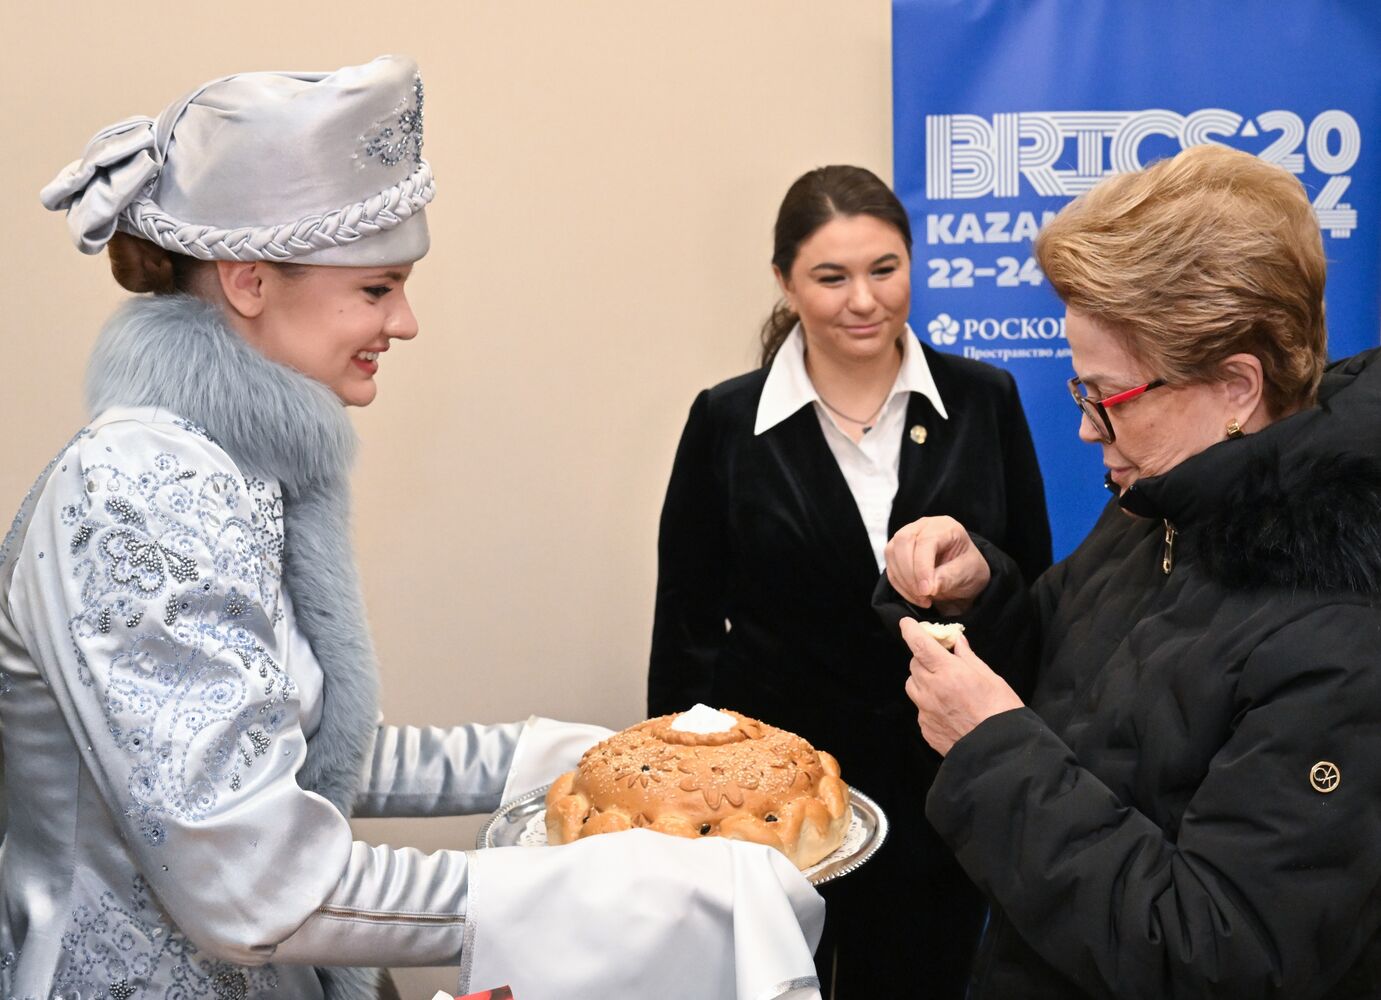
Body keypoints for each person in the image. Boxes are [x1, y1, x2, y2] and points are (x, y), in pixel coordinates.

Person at [2, 57, 824, 1000]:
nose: (405, 322)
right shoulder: (137, 488)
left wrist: (609, 760)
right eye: (377, 288)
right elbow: (254, 886)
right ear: (248, 282)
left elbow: (312, 749)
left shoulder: (225, 469)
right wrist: (576, 891)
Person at [881, 143, 1381, 998]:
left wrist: (991, 749)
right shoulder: (1167, 496)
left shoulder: (1342, 633)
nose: (1085, 431)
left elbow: (1218, 954)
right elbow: (1073, 671)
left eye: (1103, 399)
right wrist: (982, 595)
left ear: (1233, 387)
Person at [648, 164, 1051, 997]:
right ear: (784, 283)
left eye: (884, 269)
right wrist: (679, 809)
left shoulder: (985, 400)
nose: (863, 300)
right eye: (830, 277)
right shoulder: (725, 420)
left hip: (943, 791)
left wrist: (979, 585)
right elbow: (685, 628)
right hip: (774, 805)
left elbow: (1034, 592)